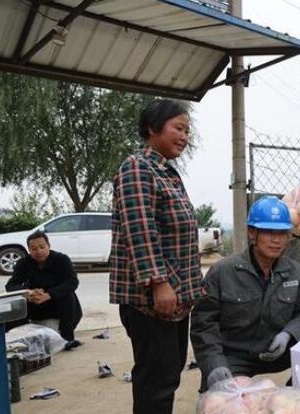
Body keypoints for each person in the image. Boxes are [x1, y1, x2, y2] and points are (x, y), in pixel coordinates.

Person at [109, 99, 203, 414]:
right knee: (156, 381)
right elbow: (140, 230)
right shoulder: (138, 167)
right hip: (152, 299)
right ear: (152, 128)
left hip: (175, 299)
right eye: (178, 128)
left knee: (168, 374)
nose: (184, 136)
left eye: (187, 131)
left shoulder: (166, 172)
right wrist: (158, 283)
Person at [190, 196, 300, 391]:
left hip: (280, 351)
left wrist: (288, 334)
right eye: (268, 232)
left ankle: (293, 397)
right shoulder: (223, 272)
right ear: (252, 233)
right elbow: (204, 325)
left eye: (282, 233)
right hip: (235, 355)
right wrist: (215, 365)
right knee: (221, 400)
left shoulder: (297, 273)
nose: (276, 240)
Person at [5, 231, 83, 349]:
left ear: (48, 246)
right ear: (29, 250)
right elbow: (10, 286)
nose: (39, 251)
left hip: (57, 304)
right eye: (34, 249)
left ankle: (68, 339)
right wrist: (28, 293)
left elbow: (72, 282)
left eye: (42, 247)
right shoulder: (23, 263)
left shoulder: (62, 259)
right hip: (35, 303)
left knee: (69, 296)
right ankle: (16, 340)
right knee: (15, 301)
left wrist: (49, 295)